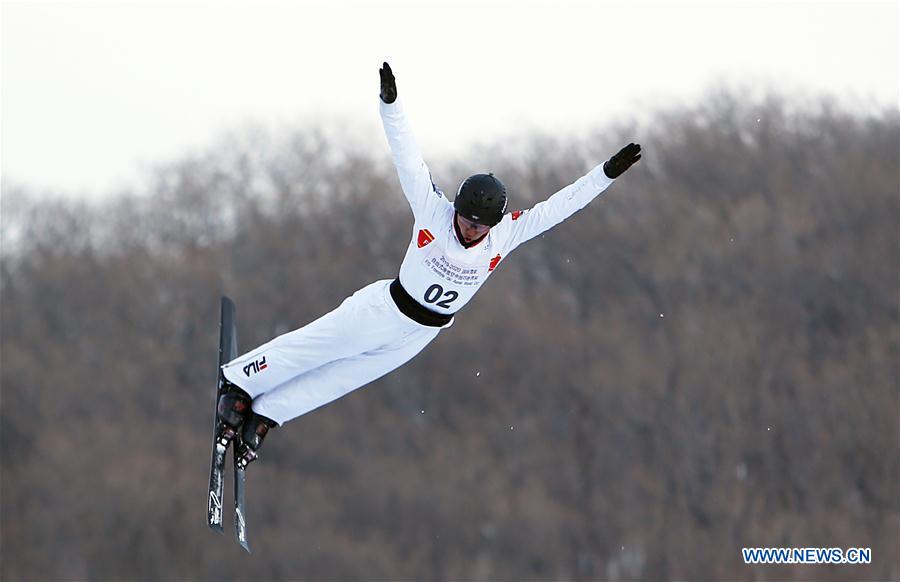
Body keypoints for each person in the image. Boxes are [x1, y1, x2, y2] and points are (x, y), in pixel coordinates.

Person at [217, 62, 642, 468]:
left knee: (342, 379)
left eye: (480, 225)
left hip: (419, 334)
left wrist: (606, 174)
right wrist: (390, 104)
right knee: (320, 346)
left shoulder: (505, 235)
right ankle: (241, 383)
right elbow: (407, 156)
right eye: (466, 219)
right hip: (385, 309)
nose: (470, 229)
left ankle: (267, 414)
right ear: (456, 208)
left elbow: (560, 206)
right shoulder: (432, 212)